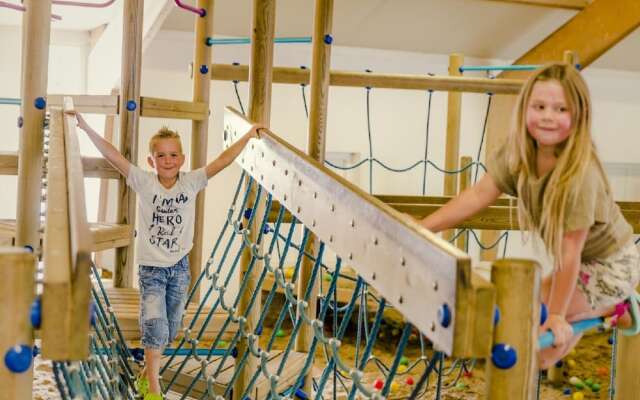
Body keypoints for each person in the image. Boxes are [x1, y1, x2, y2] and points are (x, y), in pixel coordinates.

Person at [418, 63, 639, 369]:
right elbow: (479, 195)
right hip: (579, 262)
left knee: (538, 341)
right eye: (540, 106)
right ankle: (609, 309)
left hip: (611, 265)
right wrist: (424, 227)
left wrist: (558, 315)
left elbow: (569, 252)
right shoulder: (521, 153)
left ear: (578, 116)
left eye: (561, 109)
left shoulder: (578, 175)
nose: (548, 116)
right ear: (525, 109)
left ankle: (612, 305)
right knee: (532, 338)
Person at [68, 111, 262, 399]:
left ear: (182, 159)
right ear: (151, 161)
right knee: (155, 324)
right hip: (152, 270)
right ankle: (154, 389)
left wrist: (246, 137)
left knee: (171, 330)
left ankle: (145, 374)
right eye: (161, 156)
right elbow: (115, 158)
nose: (167, 161)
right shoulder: (145, 182)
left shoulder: (191, 182)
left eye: (173, 155)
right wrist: (85, 128)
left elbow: (222, 161)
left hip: (180, 268)